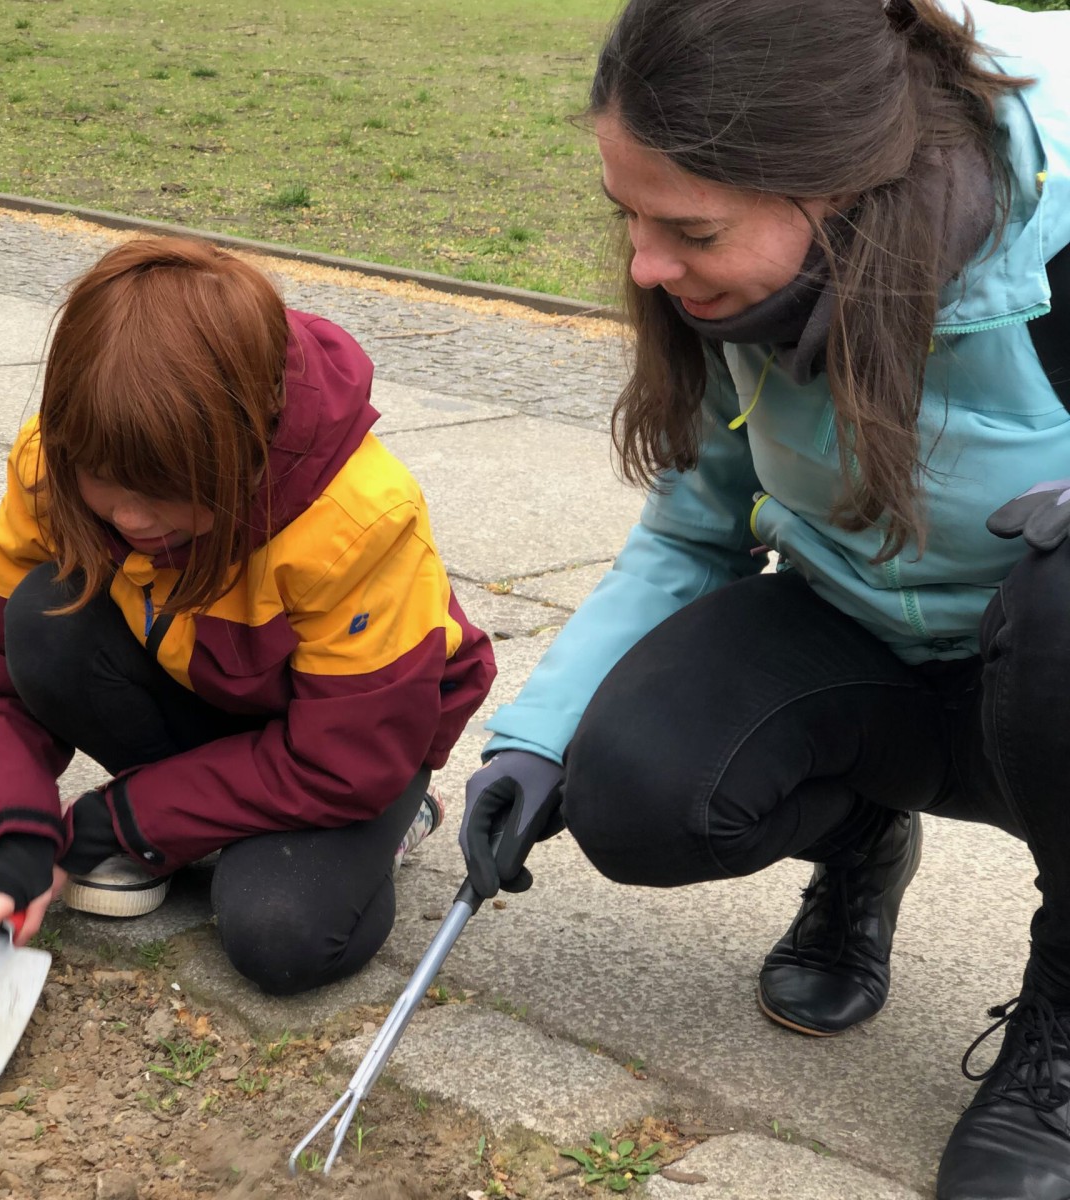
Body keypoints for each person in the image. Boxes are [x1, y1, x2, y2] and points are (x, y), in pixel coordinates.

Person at [458, 0, 1070, 1194]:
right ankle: (858, 841)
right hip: (867, 640)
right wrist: (538, 739)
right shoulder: (727, 290)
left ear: (842, 194)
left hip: (1047, 672)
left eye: (686, 227)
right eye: (624, 214)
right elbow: (698, 522)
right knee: (634, 793)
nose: (641, 264)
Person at [0, 236, 495, 996]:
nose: (134, 515)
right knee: (44, 615)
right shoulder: (53, 459)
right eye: (105, 481)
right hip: (207, 692)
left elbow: (346, 759)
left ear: (254, 438)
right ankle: (195, 809)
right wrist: (6, 831)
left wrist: (118, 823)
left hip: (356, 741)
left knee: (285, 935)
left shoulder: (360, 516)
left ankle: (400, 814)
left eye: (170, 489)